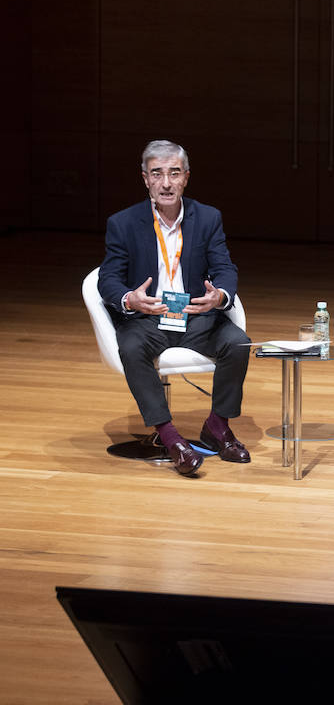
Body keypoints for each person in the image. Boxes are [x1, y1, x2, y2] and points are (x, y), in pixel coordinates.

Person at [97, 140, 252, 477]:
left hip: (195, 316)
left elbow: (225, 267)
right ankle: (171, 439)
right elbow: (108, 278)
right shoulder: (122, 223)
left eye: (174, 174)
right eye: (157, 174)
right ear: (145, 179)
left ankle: (217, 426)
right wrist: (129, 298)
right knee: (131, 346)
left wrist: (220, 295)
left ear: (186, 178)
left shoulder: (208, 218)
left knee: (238, 342)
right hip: (148, 318)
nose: (166, 183)